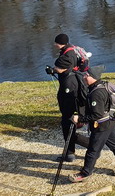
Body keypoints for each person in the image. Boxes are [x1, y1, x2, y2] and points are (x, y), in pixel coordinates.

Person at [69, 66, 115, 182]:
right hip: (111, 121)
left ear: (93, 77)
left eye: (87, 75)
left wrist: (80, 119)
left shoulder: (96, 93)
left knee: (93, 149)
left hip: (102, 125)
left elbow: (96, 115)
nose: (84, 77)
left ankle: (85, 173)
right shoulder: (101, 85)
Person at [47, 33, 86, 162]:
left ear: (61, 43)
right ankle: (75, 149)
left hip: (69, 88)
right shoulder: (73, 50)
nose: (55, 45)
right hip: (75, 84)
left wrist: (53, 70)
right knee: (70, 120)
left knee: (67, 121)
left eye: (56, 43)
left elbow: (59, 68)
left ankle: (73, 152)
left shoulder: (66, 56)